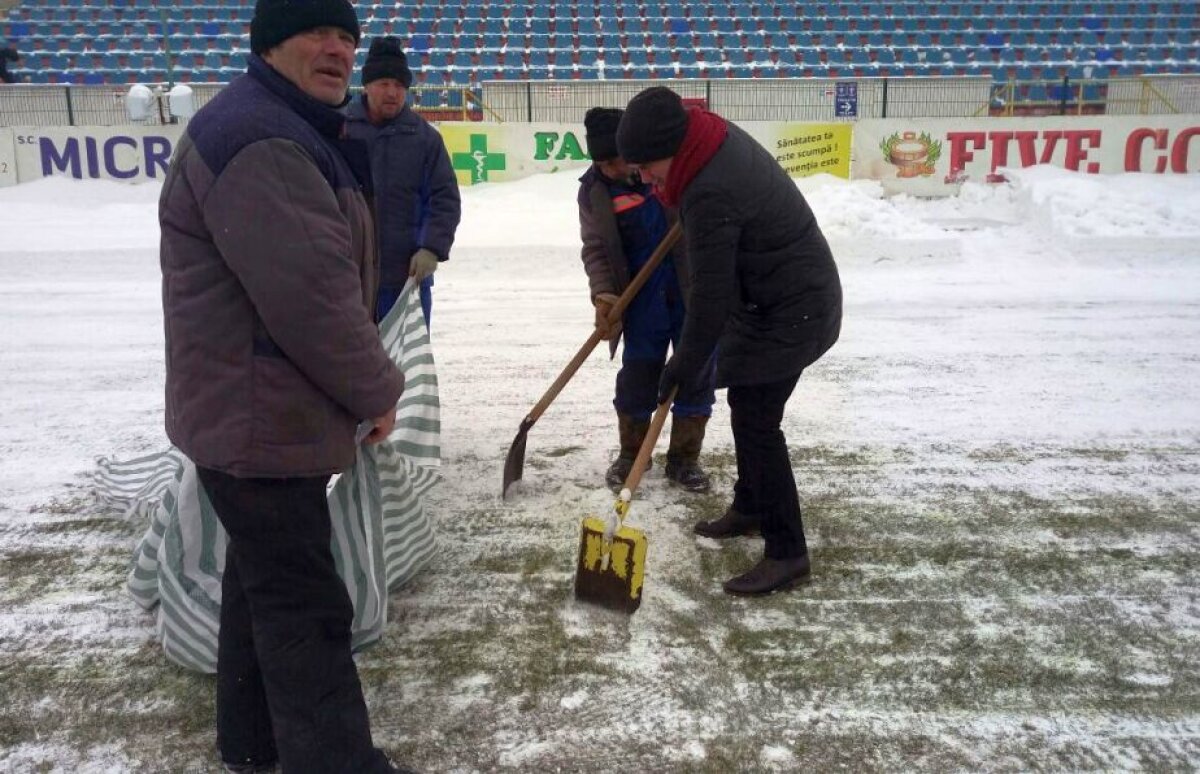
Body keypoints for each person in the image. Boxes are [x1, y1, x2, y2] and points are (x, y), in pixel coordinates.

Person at [158, 1, 411, 771]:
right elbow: (313, 302)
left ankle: (253, 741)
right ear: (271, 43)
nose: (338, 50)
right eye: (318, 34)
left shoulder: (277, 122)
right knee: (304, 608)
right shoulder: (264, 138)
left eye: (347, 38)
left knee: (261, 583)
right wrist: (378, 389)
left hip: (249, 415)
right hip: (261, 419)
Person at [616, 86, 843, 597]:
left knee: (759, 419)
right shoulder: (705, 142)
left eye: (649, 166)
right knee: (746, 400)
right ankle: (750, 506)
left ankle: (787, 552)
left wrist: (684, 364)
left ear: (672, 149)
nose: (645, 178)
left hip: (793, 306)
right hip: (766, 295)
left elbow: (710, 293)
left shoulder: (708, 188)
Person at [577, 106, 716, 493]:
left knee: (696, 373)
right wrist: (604, 297)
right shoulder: (595, 191)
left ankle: (685, 460)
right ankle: (631, 454)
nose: (609, 168)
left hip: (692, 292)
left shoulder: (669, 172)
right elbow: (596, 249)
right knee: (638, 375)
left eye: (614, 160)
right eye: (601, 162)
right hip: (641, 299)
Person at [345, 36, 461, 325]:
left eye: (399, 86)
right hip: (348, 281)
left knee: (405, 369)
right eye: (384, 84)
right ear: (367, 85)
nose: (392, 93)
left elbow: (444, 198)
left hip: (405, 280)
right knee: (348, 367)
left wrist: (431, 247)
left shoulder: (425, 139)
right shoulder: (340, 130)